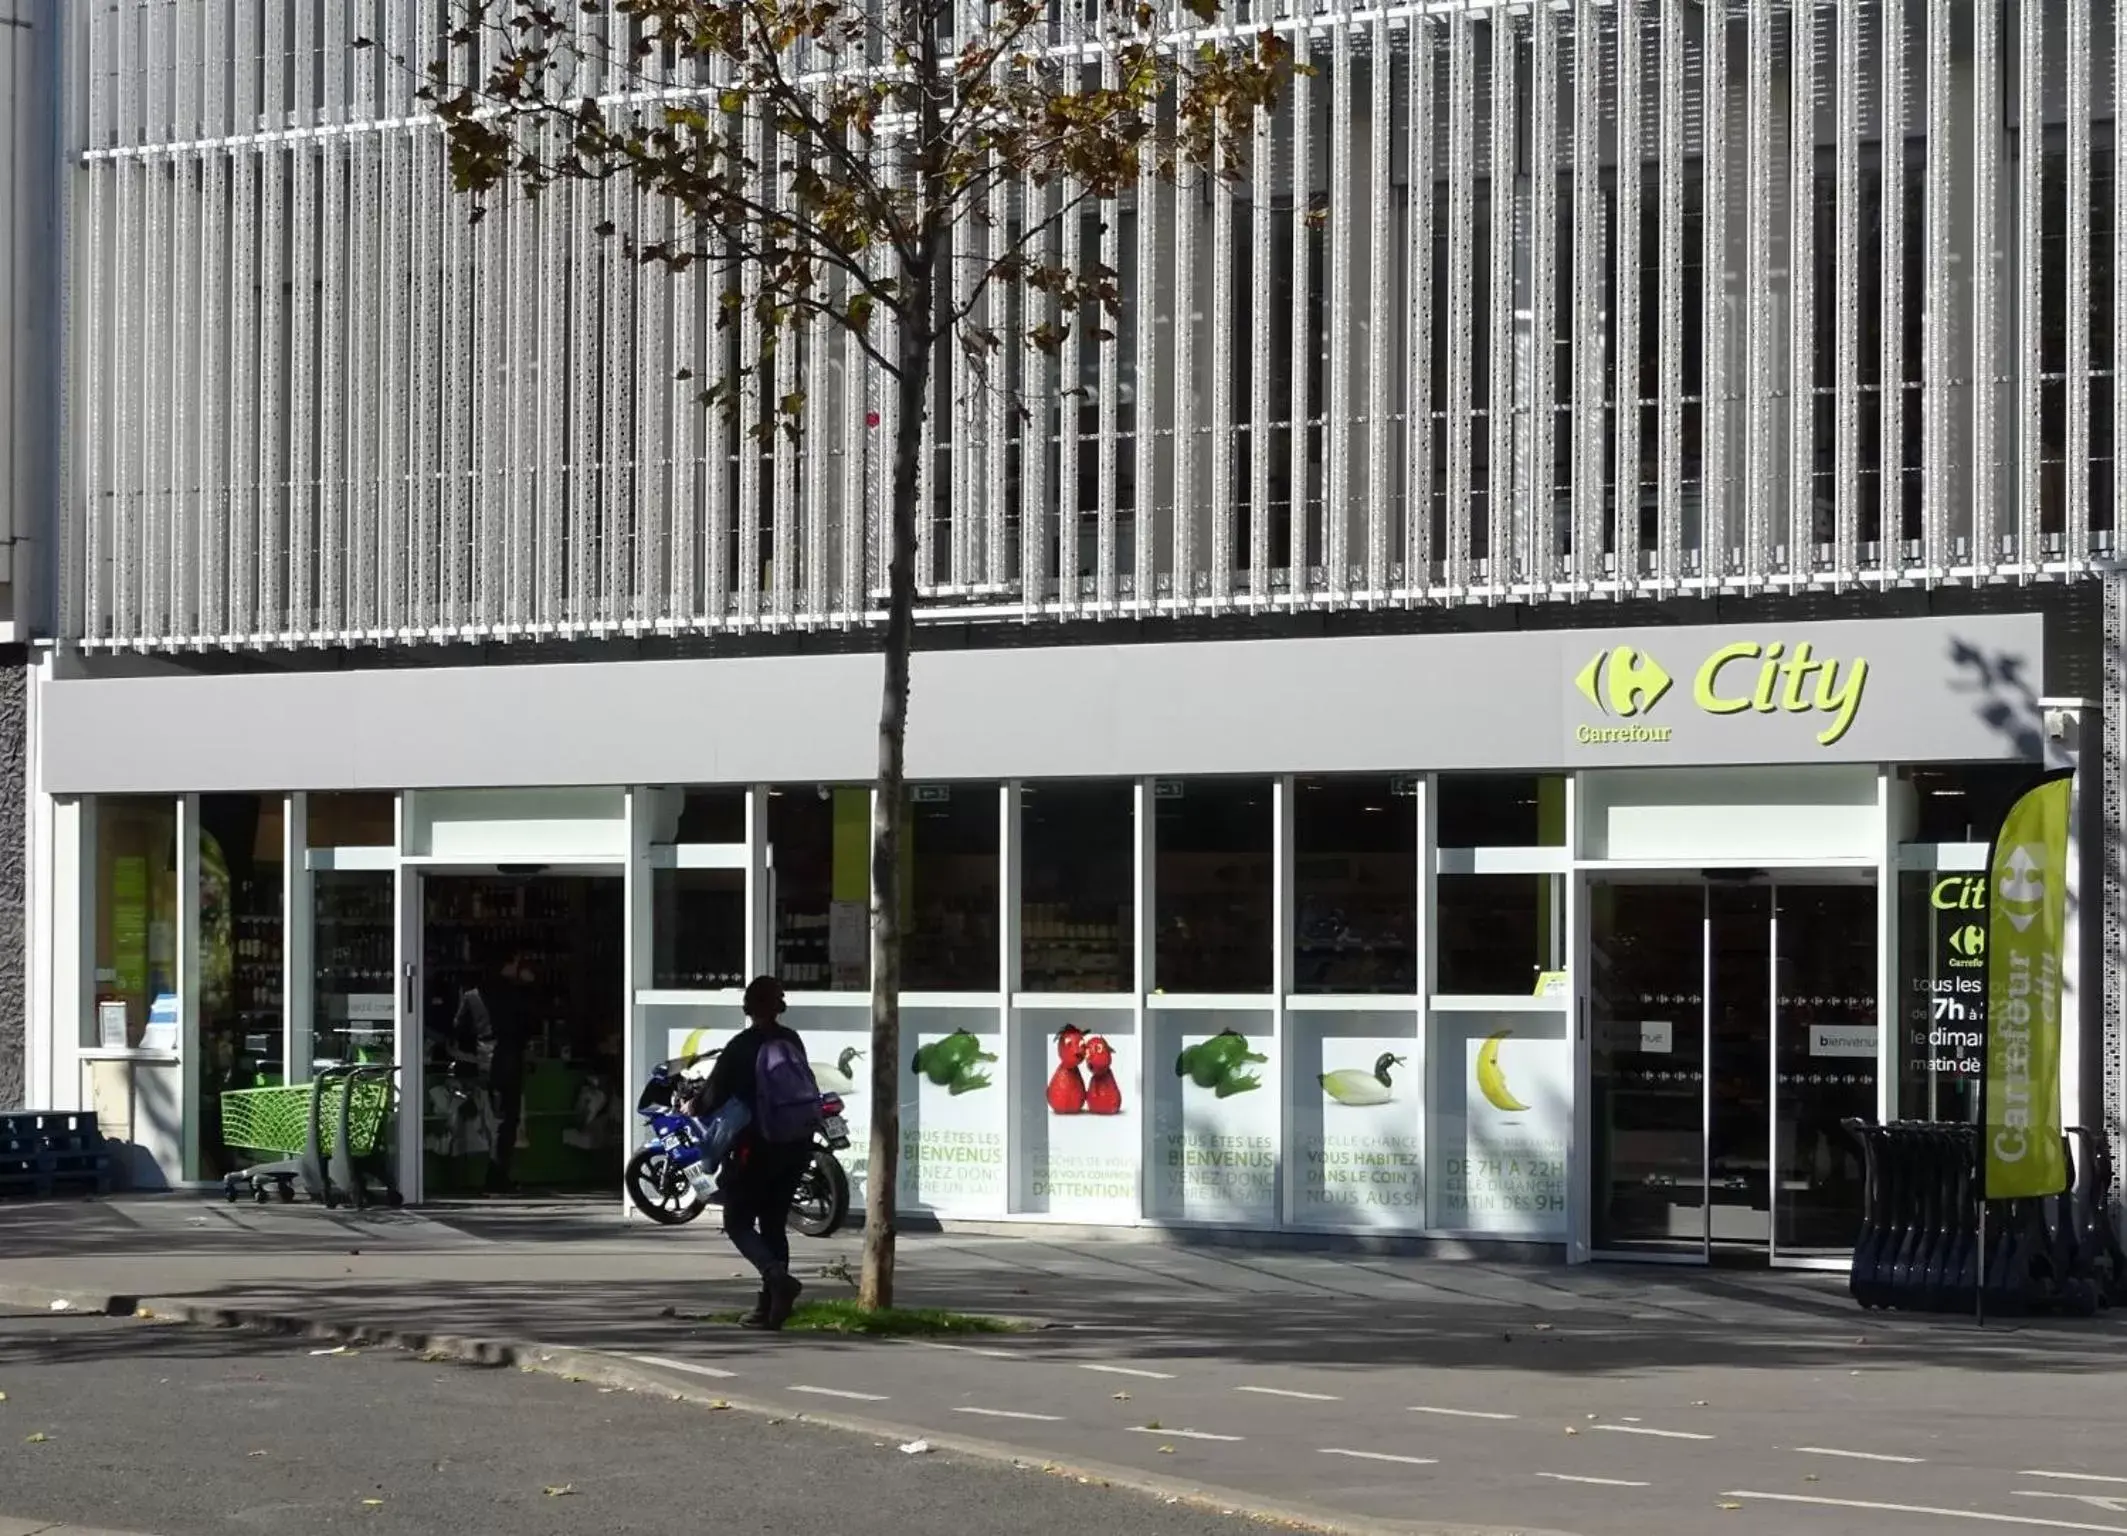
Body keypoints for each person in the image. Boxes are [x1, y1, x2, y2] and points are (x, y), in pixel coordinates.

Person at [700, 975, 815, 1329]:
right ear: (780, 1006)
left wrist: (694, 1105)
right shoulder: (791, 1039)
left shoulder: (742, 1046)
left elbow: (713, 1096)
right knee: (774, 1223)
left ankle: (776, 1279)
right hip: (797, 1144)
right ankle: (771, 1307)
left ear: (747, 1007)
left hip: (758, 1146)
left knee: (737, 1221)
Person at [454, 945, 537, 1195]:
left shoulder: (472, 995)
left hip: (485, 1058)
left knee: (497, 1119)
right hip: (508, 1058)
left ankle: (496, 1175)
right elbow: (530, 1023)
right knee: (506, 1121)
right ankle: (497, 1176)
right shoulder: (515, 992)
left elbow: (458, 1027)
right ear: (506, 965)